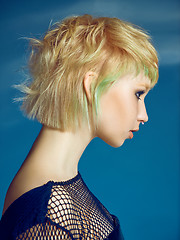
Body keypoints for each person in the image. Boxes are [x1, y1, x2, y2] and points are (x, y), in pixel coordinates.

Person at [0, 14, 158, 239]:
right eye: (138, 94)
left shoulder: (60, 190)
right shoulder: (47, 213)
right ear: (92, 86)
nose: (144, 116)